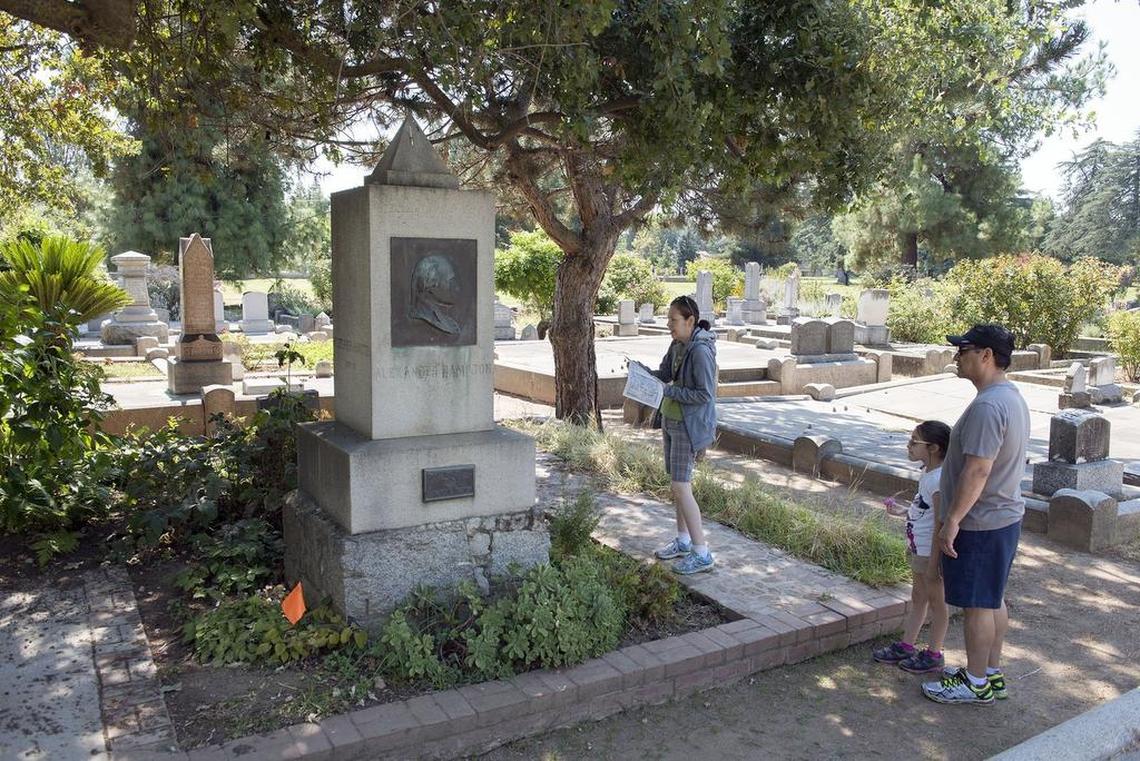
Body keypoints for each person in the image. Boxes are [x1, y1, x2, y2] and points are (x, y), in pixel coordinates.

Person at [922, 323, 1029, 706]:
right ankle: (990, 672)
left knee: (977, 605)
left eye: (963, 349)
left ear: (986, 355)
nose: (956, 356)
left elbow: (978, 470)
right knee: (992, 598)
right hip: (1003, 516)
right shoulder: (1009, 396)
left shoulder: (988, 406)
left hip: (981, 521)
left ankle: (976, 682)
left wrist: (951, 520)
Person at [635, 295, 718, 575]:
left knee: (681, 486)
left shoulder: (700, 352)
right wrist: (642, 373)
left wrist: (668, 391)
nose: (668, 325)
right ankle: (683, 541)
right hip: (671, 420)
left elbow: (704, 394)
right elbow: (664, 373)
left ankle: (701, 552)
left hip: (687, 425)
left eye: (673, 320)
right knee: (678, 486)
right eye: (668, 319)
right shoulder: (677, 345)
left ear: (690, 321)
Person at [872, 420, 952, 674]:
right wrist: (905, 511)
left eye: (914, 442)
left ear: (934, 448)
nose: (908, 445)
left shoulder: (938, 480)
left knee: (937, 603)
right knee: (918, 597)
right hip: (919, 549)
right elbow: (925, 512)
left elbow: (940, 522)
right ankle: (907, 645)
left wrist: (934, 562)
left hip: (930, 553)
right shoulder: (928, 473)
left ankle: (934, 653)